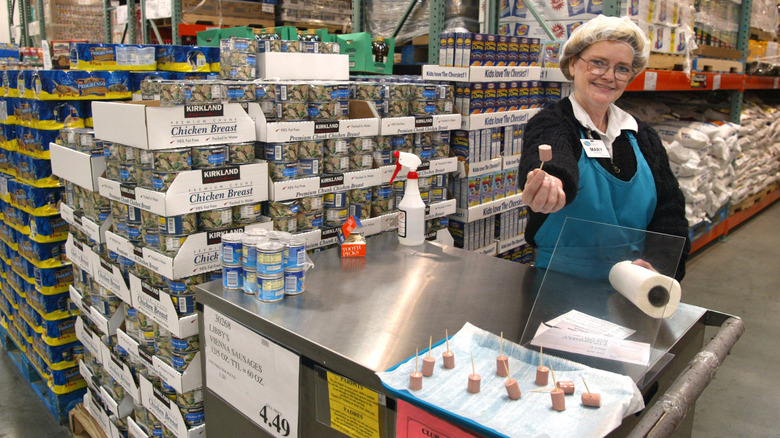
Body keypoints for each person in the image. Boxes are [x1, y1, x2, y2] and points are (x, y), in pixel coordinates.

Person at [518, 15, 690, 281]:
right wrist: (550, 182)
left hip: (632, 285)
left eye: (622, 68)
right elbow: (554, 157)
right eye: (598, 63)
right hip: (556, 285)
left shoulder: (642, 136)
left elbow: (670, 210)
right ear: (573, 64)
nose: (609, 76)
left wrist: (661, 267)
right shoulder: (552, 123)